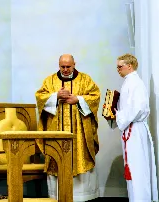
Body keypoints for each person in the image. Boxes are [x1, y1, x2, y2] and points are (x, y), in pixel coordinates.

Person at [35, 54, 100, 201]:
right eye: (62, 67)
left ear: (74, 64)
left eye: (68, 67)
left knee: (80, 158)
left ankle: (81, 196)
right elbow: (40, 97)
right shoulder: (50, 80)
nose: (65, 70)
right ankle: (57, 195)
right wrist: (55, 96)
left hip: (79, 134)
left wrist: (78, 99)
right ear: (59, 65)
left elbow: (95, 96)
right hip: (55, 130)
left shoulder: (85, 80)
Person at [106, 53, 158, 201]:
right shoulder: (129, 82)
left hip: (135, 130)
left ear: (129, 66)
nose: (118, 70)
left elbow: (137, 108)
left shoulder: (135, 82)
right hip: (131, 129)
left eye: (120, 66)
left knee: (138, 170)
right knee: (133, 169)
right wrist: (113, 111)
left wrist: (117, 114)